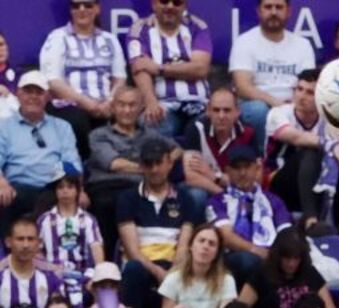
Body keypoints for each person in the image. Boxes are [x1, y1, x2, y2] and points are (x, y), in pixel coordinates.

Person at [117, 137, 202, 308]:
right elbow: (132, 250)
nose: (154, 169)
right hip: (143, 265)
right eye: (148, 163)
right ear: (141, 165)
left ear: (170, 163)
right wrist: (158, 272)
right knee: (133, 268)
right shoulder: (127, 199)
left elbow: (183, 246)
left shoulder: (186, 198)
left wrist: (171, 274)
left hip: (174, 265)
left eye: (159, 163)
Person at [86, 85, 178, 256]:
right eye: (121, 105)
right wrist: (153, 169)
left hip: (141, 187)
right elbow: (114, 164)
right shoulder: (99, 135)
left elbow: (177, 149)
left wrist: (164, 162)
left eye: (132, 105)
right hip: (108, 187)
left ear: (141, 108)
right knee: (112, 202)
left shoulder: (150, 134)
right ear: (113, 107)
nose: (127, 110)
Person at [264, 69, 339, 233]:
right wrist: (333, 145)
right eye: (299, 89)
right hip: (281, 181)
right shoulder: (278, 113)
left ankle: (334, 225)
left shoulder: (330, 117)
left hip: (316, 181)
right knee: (310, 152)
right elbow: (297, 138)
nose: (301, 96)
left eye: (310, 92)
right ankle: (311, 220)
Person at [39, 0, 127, 161]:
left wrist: (110, 101)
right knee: (78, 121)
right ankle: (84, 170)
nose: (82, 9)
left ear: (97, 9)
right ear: (71, 10)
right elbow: (53, 81)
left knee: (127, 117)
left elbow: (120, 77)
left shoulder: (109, 39)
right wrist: (87, 103)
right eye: (76, 6)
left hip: (106, 104)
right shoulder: (58, 37)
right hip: (69, 104)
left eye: (88, 5)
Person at [0, 71, 82, 239]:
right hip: (18, 187)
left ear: (48, 97)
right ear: (18, 94)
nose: (33, 97)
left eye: (39, 92)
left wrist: (79, 189)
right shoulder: (4, 127)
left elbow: (71, 161)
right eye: (28, 91)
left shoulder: (62, 127)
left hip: (54, 188)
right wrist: (2, 183)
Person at [229, 0, 315, 150]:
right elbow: (242, 87)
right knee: (259, 110)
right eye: (268, 7)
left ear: (288, 11)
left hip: (293, 105)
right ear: (259, 11)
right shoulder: (244, 42)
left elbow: (310, 84)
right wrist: (277, 104)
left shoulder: (303, 45)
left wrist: (293, 106)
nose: (274, 12)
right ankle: (264, 162)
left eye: (279, 7)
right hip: (257, 106)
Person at [125, 0, 213, 140]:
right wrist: (150, 101)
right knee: (152, 123)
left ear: (184, 6)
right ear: (154, 3)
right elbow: (140, 68)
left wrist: (159, 69)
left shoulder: (197, 26)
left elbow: (200, 69)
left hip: (199, 103)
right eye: (164, 1)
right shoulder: (139, 29)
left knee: (203, 127)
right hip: (162, 105)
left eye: (177, 2)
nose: (170, 6)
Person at [206, 144, 292, 286]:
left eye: (247, 167)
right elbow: (225, 237)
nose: (243, 173)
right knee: (248, 260)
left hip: (272, 254)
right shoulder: (217, 201)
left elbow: (286, 232)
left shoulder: (273, 200)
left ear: (257, 169)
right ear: (227, 171)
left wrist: (275, 254)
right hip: (233, 257)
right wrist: (255, 250)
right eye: (237, 168)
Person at [37, 173, 105, 308]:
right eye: (61, 187)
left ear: (77, 191)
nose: (65, 191)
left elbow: (97, 248)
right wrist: (49, 269)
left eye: (70, 187)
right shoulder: (44, 220)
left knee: (102, 287)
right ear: (55, 192)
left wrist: (98, 275)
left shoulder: (88, 219)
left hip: (83, 272)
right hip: (53, 272)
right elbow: (36, 252)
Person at [179, 87, 256, 206]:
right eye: (216, 110)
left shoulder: (248, 132)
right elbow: (192, 177)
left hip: (237, 191)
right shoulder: (196, 129)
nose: (221, 116)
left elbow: (251, 180)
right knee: (196, 194)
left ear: (237, 112)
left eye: (227, 110)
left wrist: (214, 175)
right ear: (208, 111)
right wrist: (224, 195)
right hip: (208, 189)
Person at [0, 216, 66, 308]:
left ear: (39, 243)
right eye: (20, 239)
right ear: (8, 242)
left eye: (30, 239)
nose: (25, 245)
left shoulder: (52, 276)